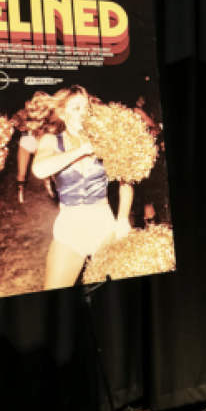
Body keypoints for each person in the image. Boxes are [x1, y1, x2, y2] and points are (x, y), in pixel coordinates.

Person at [25, 86, 133, 290]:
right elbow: (39, 169)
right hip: (70, 227)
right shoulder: (51, 140)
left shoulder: (105, 141)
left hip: (104, 224)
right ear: (61, 113)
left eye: (86, 108)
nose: (83, 113)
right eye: (76, 108)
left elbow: (125, 183)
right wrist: (81, 150)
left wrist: (122, 220)